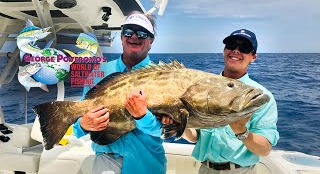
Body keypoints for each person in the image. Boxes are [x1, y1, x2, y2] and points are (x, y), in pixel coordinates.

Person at [162, 29, 279, 174]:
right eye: (231, 45)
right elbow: (195, 137)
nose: (236, 51)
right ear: (224, 50)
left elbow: (265, 149)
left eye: (244, 48)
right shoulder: (204, 87)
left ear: (253, 57)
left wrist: (241, 131)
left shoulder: (259, 97)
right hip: (205, 169)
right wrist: (180, 123)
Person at [72, 11, 166, 174]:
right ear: (122, 36)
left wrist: (142, 116)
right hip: (105, 162)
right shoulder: (99, 72)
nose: (134, 37)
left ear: (151, 41)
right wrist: (82, 125)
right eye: (128, 31)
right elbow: (77, 117)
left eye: (142, 33)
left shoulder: (163, 77)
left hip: (148, 166)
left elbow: (164, 131)